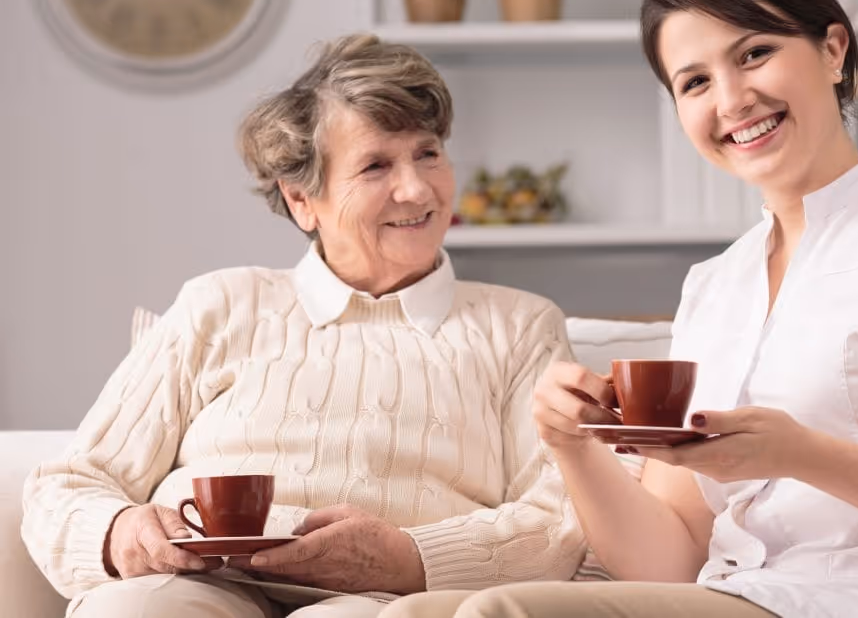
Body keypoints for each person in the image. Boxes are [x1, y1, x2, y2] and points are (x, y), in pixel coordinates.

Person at [380, 0, 858, 617]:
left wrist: (805, 454)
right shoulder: (714, 285)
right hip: (733, 595)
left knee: (506, 612)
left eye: (754, 53)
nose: (731, 100)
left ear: (833, 49)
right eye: (694, 82)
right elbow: (671, 558)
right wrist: (573, 447)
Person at [22, 34, 585, 618]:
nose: (417, 189)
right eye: (375, 165)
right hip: (200, 586)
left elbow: (560, 519)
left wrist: (405, 556)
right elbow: (68, 485)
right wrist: (122, 534)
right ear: (301, 200)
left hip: (385, 599)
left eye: (428, 153)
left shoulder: (519, 326)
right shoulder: (220, 303)